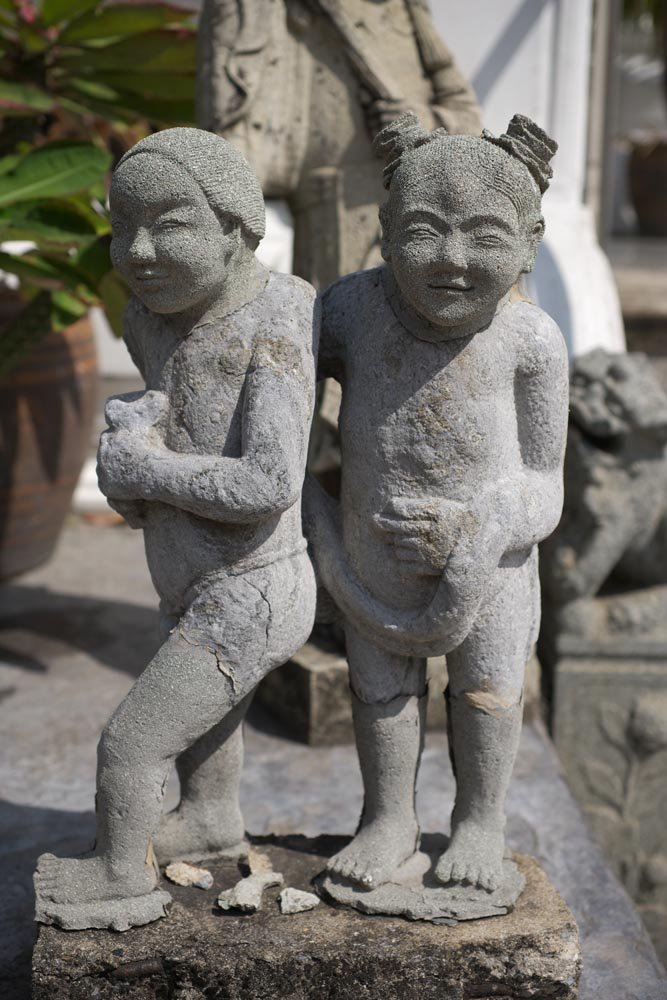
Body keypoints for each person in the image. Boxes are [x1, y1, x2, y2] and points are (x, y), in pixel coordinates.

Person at [34, 128, 317, 924]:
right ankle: (211, 817)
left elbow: (268, 481)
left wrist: (143, 471)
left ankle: (119, 877)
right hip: (187, 575)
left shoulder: (278, 315)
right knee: (203, 725)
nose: (140, 250)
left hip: (255, 588)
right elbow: (170, 426)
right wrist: (133, 455)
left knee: (131, 743)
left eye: (170, 224)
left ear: (235, 225)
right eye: (123, 226)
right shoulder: (148, 318)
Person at [305, 113, 568, 892]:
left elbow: (545, 483)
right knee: (380, 689)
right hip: (374, 552)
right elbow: (283, 398)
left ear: (529, 242)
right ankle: (387, 818)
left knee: (487, 690)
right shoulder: (348, 312)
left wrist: (478, 531)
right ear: (385, 231)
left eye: (486, 238)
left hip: (491, 567)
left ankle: (480, 822)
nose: (452, 260)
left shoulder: (529, 340)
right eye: (424, 231)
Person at [198, 0, 482, 288]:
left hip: (414, 201)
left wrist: (421, 118)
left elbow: (467, 116)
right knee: (339, 307)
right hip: (329, 206)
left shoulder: (405, 9)